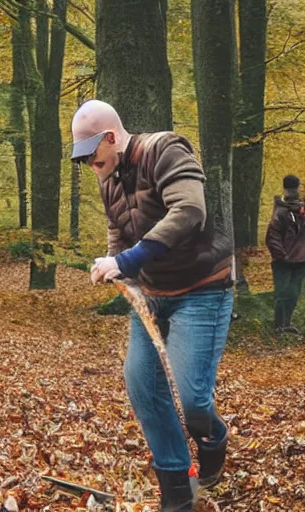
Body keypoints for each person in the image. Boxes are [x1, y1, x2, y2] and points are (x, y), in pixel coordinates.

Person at [71, 100, 234, 511]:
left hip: (202, 290)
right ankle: (178, 488)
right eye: (83, 159)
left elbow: (190, 209)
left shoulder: (165, 150)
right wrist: (115, 268)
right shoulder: (108, 177)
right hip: (151, 295)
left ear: (110, 138)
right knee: (143, 385)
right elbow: (117, 227)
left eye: (92, 154)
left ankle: (213, 436)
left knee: (193, 399)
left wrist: (127, 260)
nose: (90, 164)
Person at [265, 174, 305, 335]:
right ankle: (279, 326)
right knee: (282, 293)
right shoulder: (280, 212)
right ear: (285, 190)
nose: (293, 192)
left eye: (295, 189)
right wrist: (282, 255)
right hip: (283, 261)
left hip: (301, 261)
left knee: (293, 294)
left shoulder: (301, 211)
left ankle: (286, 324)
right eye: (290, 190)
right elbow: (272, 237)